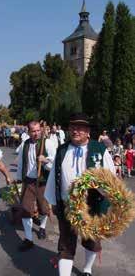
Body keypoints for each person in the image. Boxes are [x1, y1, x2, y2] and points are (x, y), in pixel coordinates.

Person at [45, 113, 115, 276]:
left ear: (88, 131)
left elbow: (111, 177)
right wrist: (51, 201)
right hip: (67, 205)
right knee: (66, 245)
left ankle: (87, 269)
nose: (75, 130)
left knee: (91, 242)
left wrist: (105, 191)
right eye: (72, 127)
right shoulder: (62, 150)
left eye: (80, 127)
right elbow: (54, 176)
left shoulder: (100, 150)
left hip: (92, 207)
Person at [16, 121, 56, 251]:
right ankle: (28, 239)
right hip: (29, 181)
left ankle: (42, 227)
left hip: (43, 181)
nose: (36, 133)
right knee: (26, 209)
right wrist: (18, 178)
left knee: (44, 209)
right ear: (28, 132)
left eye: (38, 130)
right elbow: (21, 162)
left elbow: (55, 163)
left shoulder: (48, 143)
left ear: (41, 130)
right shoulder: (25, 145)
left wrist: (45, 161)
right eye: (33, 131)